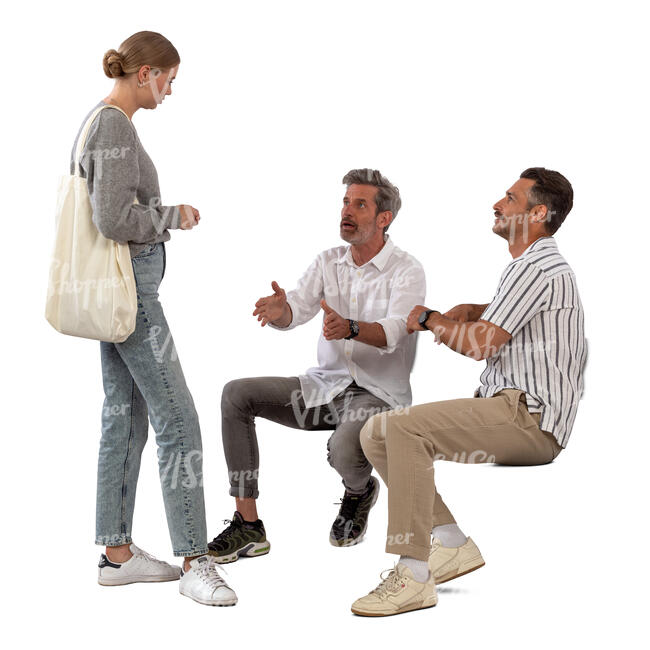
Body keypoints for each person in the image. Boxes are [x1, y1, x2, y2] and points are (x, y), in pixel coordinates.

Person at [351, 167, 586, 617]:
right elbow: (505, 320)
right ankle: (453, 543)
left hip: (528, 420)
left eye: (511, 199)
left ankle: (414, 571)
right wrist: (469, 311)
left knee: (401, 429)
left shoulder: (538, 265)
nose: (498, 204)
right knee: (375, 432)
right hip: (514, 412)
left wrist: (430, 321)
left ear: (539, 213)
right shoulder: (528, 267)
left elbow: (481, 345)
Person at [72, 31, 236, 607]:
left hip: (111, 295)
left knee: (125, 417)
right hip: (132, 296)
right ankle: (195, 558)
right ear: (145, 72)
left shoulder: (99, 120)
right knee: (179, 419)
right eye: (168, 78)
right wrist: (175, 217)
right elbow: (115, 217)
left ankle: (116, 553)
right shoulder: (114, 124)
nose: (170, 90)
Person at [208, 169, 426, 561]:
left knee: (343, 447)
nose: (348, 211)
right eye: (346, 202)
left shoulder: (407, 270)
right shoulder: (328, 262)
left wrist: (352, 329)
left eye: (360, 204)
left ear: (383, 218)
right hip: (324, 388)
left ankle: (359, 491)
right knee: (236, 395)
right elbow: (298, 307)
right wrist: (280, 311)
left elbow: (397, 329)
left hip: (377, 394)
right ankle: (249, 526)